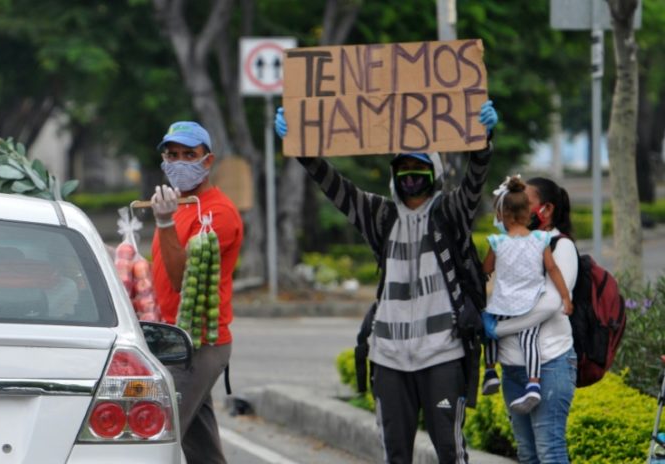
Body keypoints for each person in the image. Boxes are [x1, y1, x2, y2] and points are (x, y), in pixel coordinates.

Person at [275, 101, 498, 464]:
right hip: (388, 358)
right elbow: (334, 186)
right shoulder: (379, 215)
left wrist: (483, 140)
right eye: (403, 167)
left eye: (419, 167)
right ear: (393, 173)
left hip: (442, 354)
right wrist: (302, 149)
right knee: (395, 455)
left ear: (435, 172)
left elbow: (475, 180)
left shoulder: (450, 213)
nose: (410, 174)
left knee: (450, 452)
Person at [149, 121, 243, 464]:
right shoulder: (180, 206)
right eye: (172, 154)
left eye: (189, 154)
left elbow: (179, 280)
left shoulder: (219, 214)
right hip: (172, 336)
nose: (179, 161)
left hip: (198, 343)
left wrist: (164, 223)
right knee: (201, 450)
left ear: (208, 161)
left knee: (158, 435)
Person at [483, 177, 578, 464]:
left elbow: (550, 304)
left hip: (551, 362)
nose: (513, 207)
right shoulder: (508, 244)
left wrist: (498, 328)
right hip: (513, 367)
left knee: (549, 451)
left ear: (544, 210)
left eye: (523, 202)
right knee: (527, 453)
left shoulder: (560, 246)